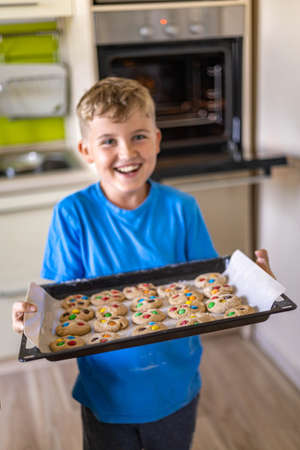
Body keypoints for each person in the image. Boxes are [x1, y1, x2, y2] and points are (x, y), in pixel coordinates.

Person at [12, 77, 274, 450]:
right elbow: (60, 303)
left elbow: (212, 289)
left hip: (175, 386)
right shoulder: (72, 215)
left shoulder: (181, 209)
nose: (126, 153)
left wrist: (254, 287)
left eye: (138, 136)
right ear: (86, 150)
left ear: (157, 139)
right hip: (106, 392)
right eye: (108, 141)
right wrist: (32, 319)